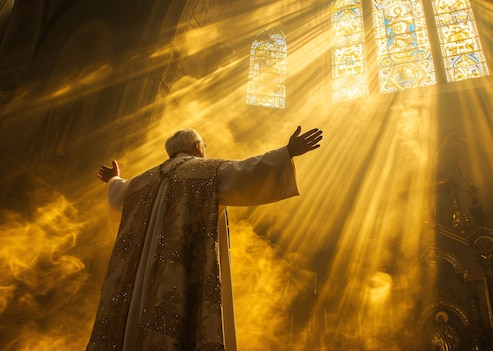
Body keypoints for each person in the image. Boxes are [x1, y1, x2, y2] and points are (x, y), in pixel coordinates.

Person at [87, 126, 323, 351]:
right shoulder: (206, 170)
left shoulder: (142, 181)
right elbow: (247, 172)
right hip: (180, 270)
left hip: (138, 277)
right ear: (197, 146)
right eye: (203, 144)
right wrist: (287, 152)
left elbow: (118, 195)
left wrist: (112, 179)